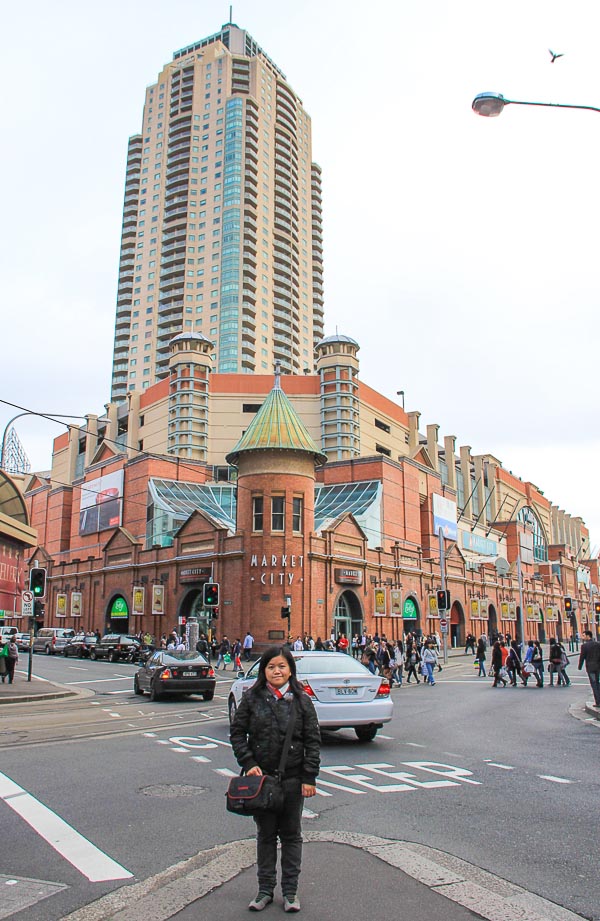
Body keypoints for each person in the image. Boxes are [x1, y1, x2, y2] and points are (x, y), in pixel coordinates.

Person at [230, 646, 320, 913]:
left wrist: (309, 778)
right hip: (263, 782)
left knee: (291, 836)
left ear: (290, 669)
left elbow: (313, 741)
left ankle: (290, 892)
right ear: (264, 671)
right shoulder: (253, 697)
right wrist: (248, 763)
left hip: (293, 780)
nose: (277, 671)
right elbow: (237, 732)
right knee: (266, 836)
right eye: (271, 667)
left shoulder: (302, 700)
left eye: (281, 666)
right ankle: (265, 890)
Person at [578, 630, 600, 707]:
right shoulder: (597, 644)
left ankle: (598, 701)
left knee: (594, 684)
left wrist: (580, 666)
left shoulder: (584, 646)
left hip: (590, 667)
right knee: (597, 683)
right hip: (597, 667)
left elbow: (582, 657)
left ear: (588, 636)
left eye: (583, 635)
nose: (582, 637)